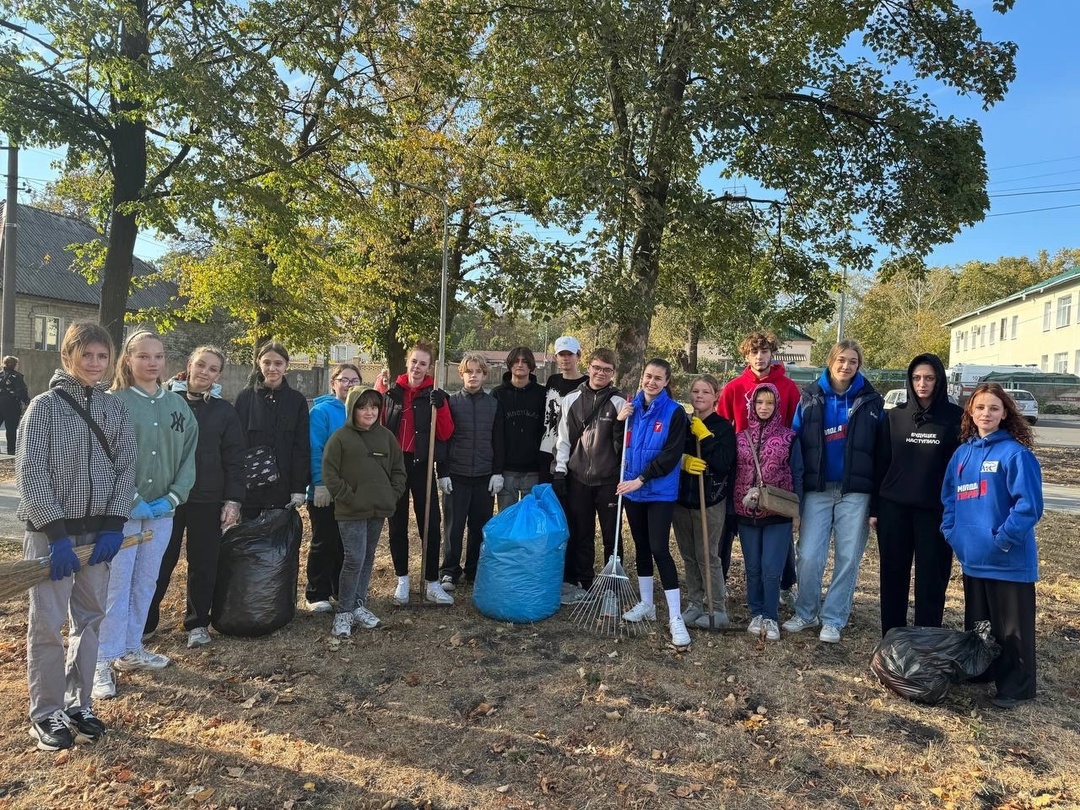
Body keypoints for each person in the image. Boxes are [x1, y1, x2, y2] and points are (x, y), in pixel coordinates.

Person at [16, 322, 137, 750]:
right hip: (54, 537)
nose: (94, 363)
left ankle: (78, 701)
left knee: (89, 620)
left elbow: (126, 468)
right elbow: (29, 473)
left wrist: (113, 524)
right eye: (86, 354)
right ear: (68, 356)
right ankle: (46, 712)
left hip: (97, 535)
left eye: (102, 356)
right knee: (48, 625)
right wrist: (56, 534)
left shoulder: (114, 409)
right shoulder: (43, 408)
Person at [93, 331, 198, 700]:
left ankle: (131, 647)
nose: (152, 363)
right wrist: (130, 497)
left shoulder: (178, 406)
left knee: (146, 581)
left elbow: (188, 456)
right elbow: (101, 456)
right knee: (115, 585)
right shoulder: (112, 403)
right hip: (121, 512)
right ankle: (101, 660)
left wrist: (172, 497)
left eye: (158, 356)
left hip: (161, 513)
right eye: (143, 356)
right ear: (128, 360)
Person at [942, 383, 1043, 709]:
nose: (986, 413)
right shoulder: (962, 454)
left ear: (1005, 414)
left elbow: (1029, 506)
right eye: (981, 407)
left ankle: (1016, 687)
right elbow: (949, 499)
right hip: (973, 559)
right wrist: (953, 533)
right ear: (970, 412)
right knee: (981, 625)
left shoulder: (1015, 454)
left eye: (994, 408)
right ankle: (981, 672)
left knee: (1011, 629)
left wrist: (1002, 540)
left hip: (1007, 560)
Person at [145, 346, 246, 649]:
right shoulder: (163, 400)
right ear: (189, 365)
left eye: (213, 369)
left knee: (203, 562)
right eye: (201, 365)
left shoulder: (224, 411)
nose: (205, 372)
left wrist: (233, 500)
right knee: (159, 561)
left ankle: (198, 622)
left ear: (218, 375)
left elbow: (234, 459)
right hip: (166, 499)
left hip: (207, 498)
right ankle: (145, 623)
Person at [784, 340, 883, 644]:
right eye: (841, 359)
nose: (846, 366)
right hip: (818, 489)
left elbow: (881, 452)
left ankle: (833, 618)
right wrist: (796, 493)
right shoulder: (811, 398)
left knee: (847, 557)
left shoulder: (871, 402)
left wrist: (877, 502)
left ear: (858, 365)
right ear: (830, 361)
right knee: (810, 555)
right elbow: (795, 447)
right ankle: (806, 612)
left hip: (855, 491)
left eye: (853, 361)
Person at [872, 353, 962, 635]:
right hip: (893, 510)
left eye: (929, 378)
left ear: (939, 380)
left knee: (931, 579)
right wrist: (874, 508)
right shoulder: (894, 417)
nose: (922, 384)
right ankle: (894, 637)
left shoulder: (956, 418)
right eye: (917, 378)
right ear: (910, 380)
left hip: (935, 511)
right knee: (893, 575)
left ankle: (927, 638)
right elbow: (880, 464)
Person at [716, 330, 801, 603]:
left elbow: (792, 425)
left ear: (772, 354)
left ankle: (787, 583)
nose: (759, 357)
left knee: (779, 525)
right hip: (741, 466)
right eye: (754, 352)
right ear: (746, 355)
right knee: (729, 527)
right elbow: (722, 427)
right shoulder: (734, 388)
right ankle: (721, 579)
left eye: (764, 352)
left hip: (775, 468)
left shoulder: (788, 388)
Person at [616, 359, 692, 647]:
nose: (651, 382)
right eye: (648, 376)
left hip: (658, 491)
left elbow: (672, 455)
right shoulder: (632, 407)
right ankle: (647, 604)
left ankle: (675, 617)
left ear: (666, 381)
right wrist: (619, 421)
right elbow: (619, 444)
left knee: (660, 548)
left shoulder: (675, 413)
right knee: (642, 546)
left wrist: (643, 478)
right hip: (633, 491)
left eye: (658, 378)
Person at [322, 387, 407, 637]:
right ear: (352, 409)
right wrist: (348, 497)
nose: (369, 412)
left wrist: (391, 495)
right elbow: (330, 473)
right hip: (350, 511)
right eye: (362, 407)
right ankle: (344, 612)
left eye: (373, 407)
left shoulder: (387, 437)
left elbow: (398, 470)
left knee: (368, 558)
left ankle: (359, 605)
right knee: (354, 558)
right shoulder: (340, 438)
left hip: (378, 509)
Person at [382, 342, 455, 605]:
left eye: (423, 363)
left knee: (430, 523)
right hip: (395, 465)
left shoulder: (434, 395)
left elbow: (445, 433)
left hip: (422, 464)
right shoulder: (392, 393)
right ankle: (402, 579)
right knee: (397, 523)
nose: (417, 367)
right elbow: (379, 427)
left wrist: (442, 405)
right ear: (407, 362)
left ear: (429, 368)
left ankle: (433, 582)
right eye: (414, 361)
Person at [553, 348, 627, 605]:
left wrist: (620, 423)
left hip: (608, 480)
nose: (601, 373)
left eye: (607, 370)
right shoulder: (571, 399)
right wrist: (560, 471)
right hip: (578, 478)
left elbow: (623, 446)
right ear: (589, 366)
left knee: (611, 535)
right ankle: (584, 581)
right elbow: (563, 439)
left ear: (613, 373)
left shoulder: (619, 402)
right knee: (581, 532)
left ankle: (612, 586)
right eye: (597, 367)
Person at [734, 383, 804, 642]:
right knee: (752, 567)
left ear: (777, 406)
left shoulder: (789, 437)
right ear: (751, 405)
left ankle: (771, 616)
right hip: (746, 512)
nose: (764, 408)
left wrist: (798, 512)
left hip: (777, 512)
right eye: (759, 403)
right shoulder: (740, 437)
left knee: (771, 568)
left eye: (769, 403)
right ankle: (755, 612)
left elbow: (797, 474)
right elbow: (734, 474)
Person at [673, 374, 735, 630]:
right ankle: (695, 604)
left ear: (715, 397)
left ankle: (717, 608)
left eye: (705, 392)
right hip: (682, 499)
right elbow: (669, 454)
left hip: (709, 500)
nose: (699, 396)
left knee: (707, 555)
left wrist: (706, 437)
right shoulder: (683, 424)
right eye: (696, 391)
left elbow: (723, 462)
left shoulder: (723, 427)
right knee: (688, 554)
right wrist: (683, 461)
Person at [438, 353, 505, 590]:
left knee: (479, 526)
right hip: (457, 475)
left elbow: (498, 440)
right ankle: (449, 571)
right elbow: (444, 439)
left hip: (484, 476)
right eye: (469, 371)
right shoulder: (452, 403)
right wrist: (442, 472)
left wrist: (497, 472)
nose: (473, 376)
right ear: (462, 374)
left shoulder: (494, 404)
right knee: (453, 527)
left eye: (478, 371)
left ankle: (474, 570)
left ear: (485, 375)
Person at [305, 363, 363, 612]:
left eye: (354, 380)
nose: (349, 384)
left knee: (346, 544)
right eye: (344, 379)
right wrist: (319, 484)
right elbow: (316, 450)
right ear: (333, 383)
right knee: (324, 541)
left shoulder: (362, 412)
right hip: (326, 491)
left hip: (352, 491)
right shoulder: (321, 412)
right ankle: (317, 593)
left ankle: (341, 589)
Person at [235, 341, 311, 518]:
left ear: (286, 366)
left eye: (278, 363)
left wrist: (298, 488)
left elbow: (301, 447)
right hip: (250, 489)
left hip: (283, 489)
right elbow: (235, 446)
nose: (272, 368)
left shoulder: (296, 400)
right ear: (258, 363)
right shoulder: (244, 398)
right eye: (267, 362)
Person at [492, 346, 545, 511]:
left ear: (531, 365)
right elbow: (495, 434)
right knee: (508, 521)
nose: (520, 364)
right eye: (516, 361)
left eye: (524, 361)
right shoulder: (498, 394)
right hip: (507, 471)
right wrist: (496, 470)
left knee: (531, 522)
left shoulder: (542, 394)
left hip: (533, 470)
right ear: (510, 364)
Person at [539, 336, 587, 483]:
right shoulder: (553, 380)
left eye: (570, 354)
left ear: (578, 356)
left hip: (573, 451)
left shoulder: (586, 384)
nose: (565, 358)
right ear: (556, 357)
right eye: (561, 354)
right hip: (547, 448)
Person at [1, 355, 31, 455]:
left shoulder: (0, 375)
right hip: (11, 405)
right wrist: (26, 401)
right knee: (11, 428)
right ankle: (11, 450)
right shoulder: (17, 376)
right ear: (14, 365)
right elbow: (22, 391)